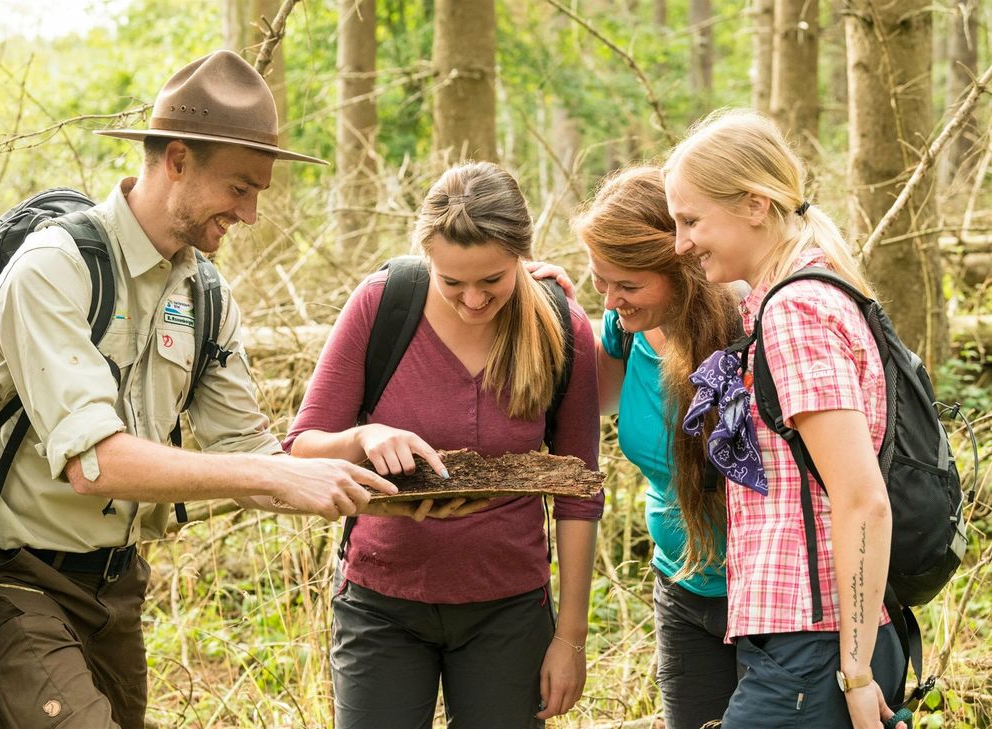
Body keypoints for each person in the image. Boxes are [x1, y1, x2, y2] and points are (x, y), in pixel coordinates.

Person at [0, 50, 395, 729]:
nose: (250, 213)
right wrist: (267, 475)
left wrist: (362, 454)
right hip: (18, 578)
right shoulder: (55, 269)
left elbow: (252, 453)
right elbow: (95, 462)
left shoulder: (205, 295)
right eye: (239, 188)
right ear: (175, 159)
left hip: (117, 584)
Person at [284, 161, 603, 729]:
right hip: (381, 603)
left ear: (523, 259)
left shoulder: (561, 325)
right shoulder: (382, 305)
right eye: (452, 282)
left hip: (509, 610)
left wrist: (570, 638)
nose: (474, 300)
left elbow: (578, 491)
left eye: (493, 280)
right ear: (426, 256)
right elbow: (301, 450)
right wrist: (364, 436)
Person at [664, 108, 907, 729]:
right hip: (798, 640)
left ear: (753, 205)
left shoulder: (796, 312)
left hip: (815, 642)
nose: (681, 243)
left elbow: (861, 499)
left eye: (691, 220)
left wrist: (854, 675)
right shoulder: (792, 295)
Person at [571, 166, 743, 729]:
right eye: (601, 281)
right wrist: (549, 309)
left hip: (769, 599)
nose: (613, 298)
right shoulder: (627, 326)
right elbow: (585, 401)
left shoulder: (750, 327)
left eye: (628, 284)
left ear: (682, 268)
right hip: (681, 587)